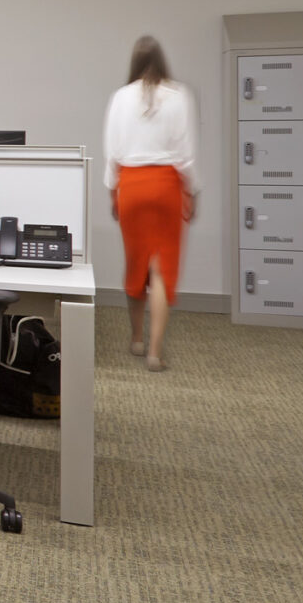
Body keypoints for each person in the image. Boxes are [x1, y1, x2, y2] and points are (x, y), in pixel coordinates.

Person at [104, 34, 195, 372]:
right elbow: (186, 152)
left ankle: (136, 338)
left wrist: (113, 190)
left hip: (131, 184)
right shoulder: (178, 95)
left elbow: (111, 150)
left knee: (136, 263)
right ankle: (155, 352)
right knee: (161, 268)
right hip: (167, 185)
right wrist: (192, 190)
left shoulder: (120, 97)